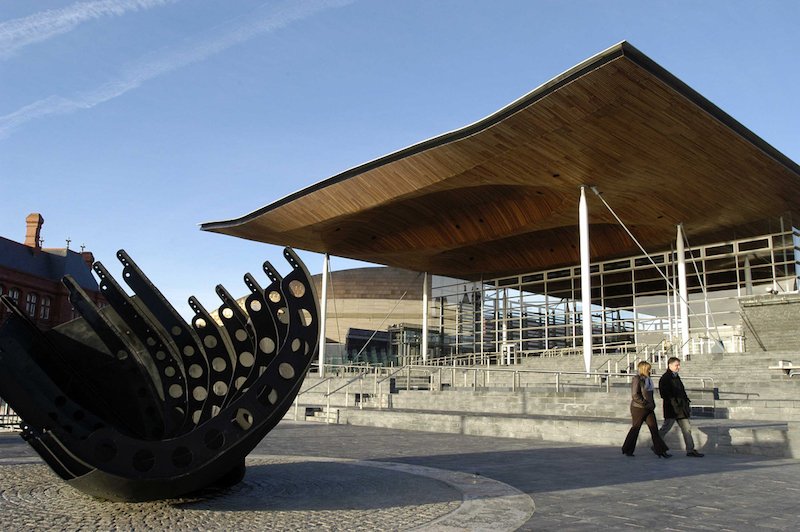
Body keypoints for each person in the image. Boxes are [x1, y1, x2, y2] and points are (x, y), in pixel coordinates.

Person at [621, 360, 670, 458]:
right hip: (639, 408)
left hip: (649, 408)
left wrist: (652, 404)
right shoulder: (637, 379)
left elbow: (650, 394)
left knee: (654, 429)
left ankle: (661, 451)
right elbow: (635, 395)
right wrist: (646, 403)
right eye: (648, 369)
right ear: (644, 369)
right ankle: (627, 449)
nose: (650, 371)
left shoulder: (648, 379)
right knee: (636, 428)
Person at [658, 357, 704, 457]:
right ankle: (656, 445)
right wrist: (675, 404)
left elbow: (681, 391)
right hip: (672, 409)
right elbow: (665, 394)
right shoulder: (666, 378)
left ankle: (690, 450)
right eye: (676, 365)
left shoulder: (676, 376)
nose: (678, 367)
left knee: (687, 429)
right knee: (666, 428)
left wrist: (685, 402)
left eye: (679, 365)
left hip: (681, 410)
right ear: (670, 365)